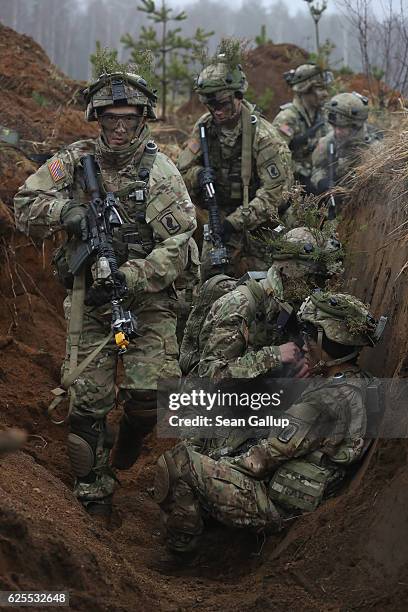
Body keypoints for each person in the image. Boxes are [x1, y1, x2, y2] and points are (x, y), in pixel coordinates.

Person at [14, 62, 196, 514]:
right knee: (86, 406)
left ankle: (129, 443)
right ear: (98, 118)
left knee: (146, 398)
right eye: (110, 118)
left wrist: (131, 276)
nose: (119, 128)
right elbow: (23, 203)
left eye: (128, 119)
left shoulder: (162, 174)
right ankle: (94, 492)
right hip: (90, 301)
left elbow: (178, 244)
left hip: (148, 301)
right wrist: (67, 214)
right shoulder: (74, 162)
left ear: (141, 119)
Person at [153, 291, 385, 554]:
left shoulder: (325, 402)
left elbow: (259, 461)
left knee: (178, 463)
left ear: (326, 339)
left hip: (274, 506)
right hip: (298, 492)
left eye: (310, 337)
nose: (305, 344)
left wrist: (213, 467)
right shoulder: (359, 383)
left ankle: (181, 547)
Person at [177, 50, 293, 281]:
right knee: (209, 278)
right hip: (220, 217)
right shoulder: (205, 127)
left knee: (267, 283)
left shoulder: (264, 137)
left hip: (263, 224)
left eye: (222, 103)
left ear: (238, 96)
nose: (216, 110)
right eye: (210, 104)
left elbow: (275, 194)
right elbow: (181, 172)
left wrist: (235, 222)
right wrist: (199, 175)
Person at [179, 226, 343, 380]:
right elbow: (209, 373)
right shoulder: (240, 304)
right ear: (293, 272)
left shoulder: (289, 302)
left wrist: (300, 363)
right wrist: (274, 356)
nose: (319, 287)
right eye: (315, 279)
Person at [273, 63, 331, 192]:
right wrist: (300, 174)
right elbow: (275, 158)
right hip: (292, 189)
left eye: (325, 88)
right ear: (305, 90)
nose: (325, 94)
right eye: (320, 89)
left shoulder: (322, 116)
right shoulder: (287, 119)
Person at [311, 92, 381, 198]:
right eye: (334, 126)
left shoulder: (374, 150)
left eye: (342, 127)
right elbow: (317, 168)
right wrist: (321, 181)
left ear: (355, 126)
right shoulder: (328, 141)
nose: (337, 132)